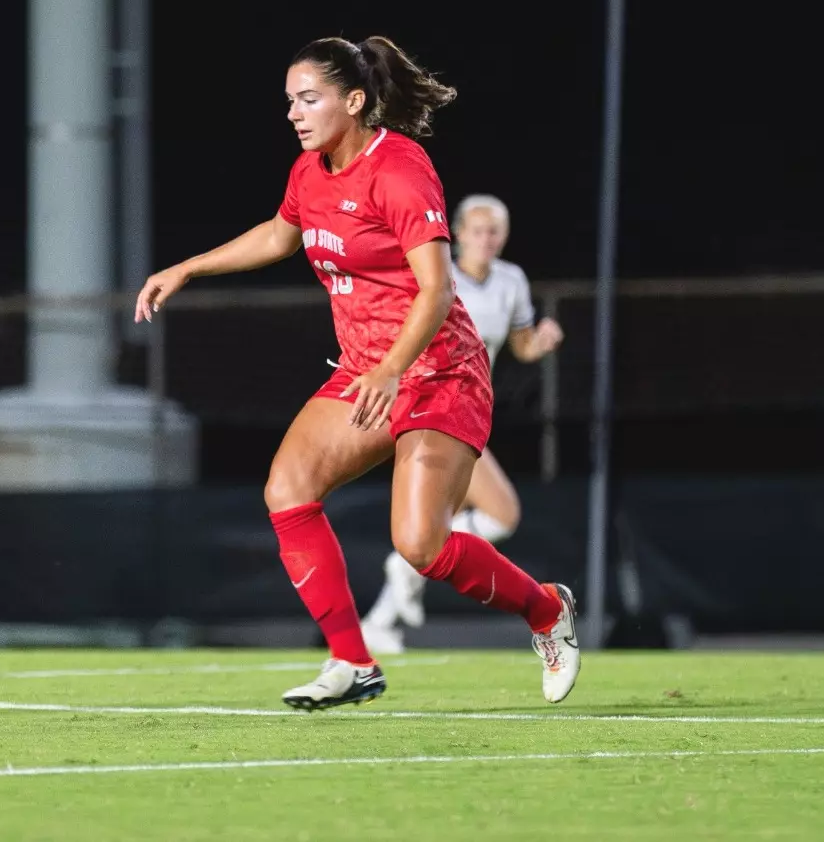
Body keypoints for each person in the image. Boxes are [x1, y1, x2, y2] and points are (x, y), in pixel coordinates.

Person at [133, 36, 578, 710]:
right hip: (367, 371)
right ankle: (352, 661)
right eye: (289, 101)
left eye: (309, 99)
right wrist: (187, 267)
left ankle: (545, 611)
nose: (294, 112)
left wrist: (395, 368)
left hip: (438, 371)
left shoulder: (399, 169)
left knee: (421, 544)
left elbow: (434, 289)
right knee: (288, 488)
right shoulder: (310, 170)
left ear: (356, 100)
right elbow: (280, 235)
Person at [361, 193, 564, 654]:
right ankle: (400, 578)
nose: (486, 239)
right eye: (478, 230)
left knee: (456, 523)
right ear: (457, 233)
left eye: (495, 231)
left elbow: (523, 346)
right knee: (493, 514)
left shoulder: (512, 279)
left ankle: (379, 620)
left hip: (466, 411)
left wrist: (542, 343)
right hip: (431, 407)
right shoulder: (438, 276)